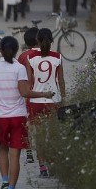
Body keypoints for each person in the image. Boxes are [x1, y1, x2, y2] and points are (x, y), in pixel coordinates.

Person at [0, 36, 54, 189]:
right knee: (14, 154)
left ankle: (4, 182)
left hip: (0, 117)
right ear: (16, 51)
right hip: (18, 117)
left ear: (0, 50)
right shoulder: (19, 68)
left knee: (2, 150)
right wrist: (44, 93)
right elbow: (25, 93)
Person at [25, 28, 65, 178]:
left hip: (36, 100)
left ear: (37, 40)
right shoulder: (58, 57)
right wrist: (64, 98)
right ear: (52, 40)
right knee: (53, 134)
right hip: (54, 100)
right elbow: (61, 80)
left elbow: (30, 82)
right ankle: (53, 164)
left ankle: (42, 168)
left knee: (40, 135)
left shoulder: (30, 58)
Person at [16, 27, 40, 164]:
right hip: (45, 94)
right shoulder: (50, 54)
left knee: (28, 124)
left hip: (28, 95)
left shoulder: (23, 56)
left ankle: (29, 150)